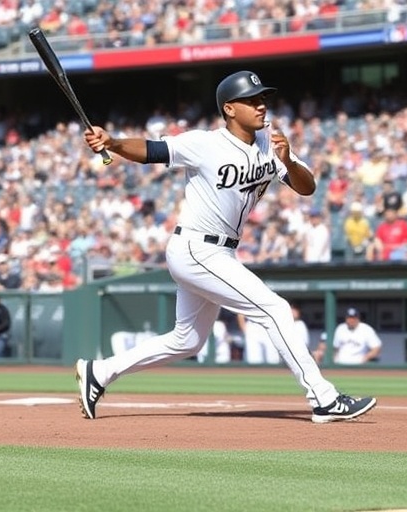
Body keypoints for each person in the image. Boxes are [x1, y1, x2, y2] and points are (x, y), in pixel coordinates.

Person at [76, 70, 376, 423]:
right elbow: (152, 150)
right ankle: (323, 399)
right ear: (230, 109)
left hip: (219, 252)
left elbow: (306, 187)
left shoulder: (269, 143)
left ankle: (100, 372)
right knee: (276, 310)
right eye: (252, 100)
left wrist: (290, 161)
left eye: (263, 98)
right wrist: (112, 143)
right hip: (195, 249)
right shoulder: (205, 144)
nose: (261, 105)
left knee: (187, 341)